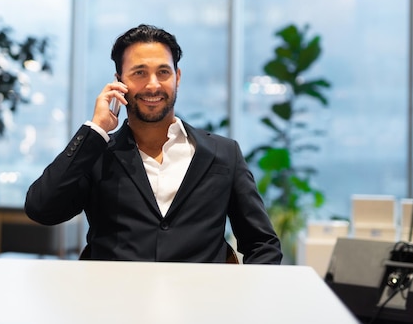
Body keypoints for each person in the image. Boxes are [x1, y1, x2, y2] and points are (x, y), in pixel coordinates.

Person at [25, 24, 282, 264]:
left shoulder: (223, 154)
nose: (153, 85)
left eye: (163, 72)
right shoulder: (97, 153)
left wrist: (242, 303)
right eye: (139, 73)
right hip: (113, 304)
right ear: (119, 81)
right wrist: (95, 129)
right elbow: (42, 209)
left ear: (177, 77)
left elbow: (262, 243)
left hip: (201, 305)